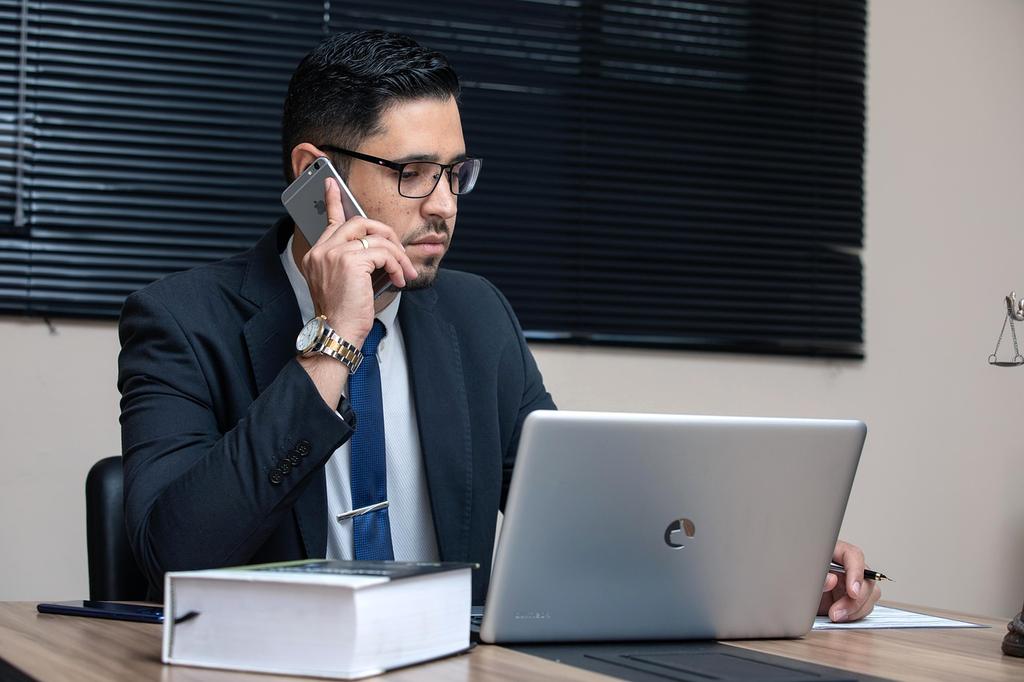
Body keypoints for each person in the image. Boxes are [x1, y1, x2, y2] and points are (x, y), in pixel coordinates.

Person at [117, 29, 879, 621]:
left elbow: (583, 522)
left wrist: (768, 570)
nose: (445, 205)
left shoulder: (474, 315)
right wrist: (333, 343)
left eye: (454, 173)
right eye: (413, 173)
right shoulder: (184, 320)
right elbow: (177, 555)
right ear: (315, 176)